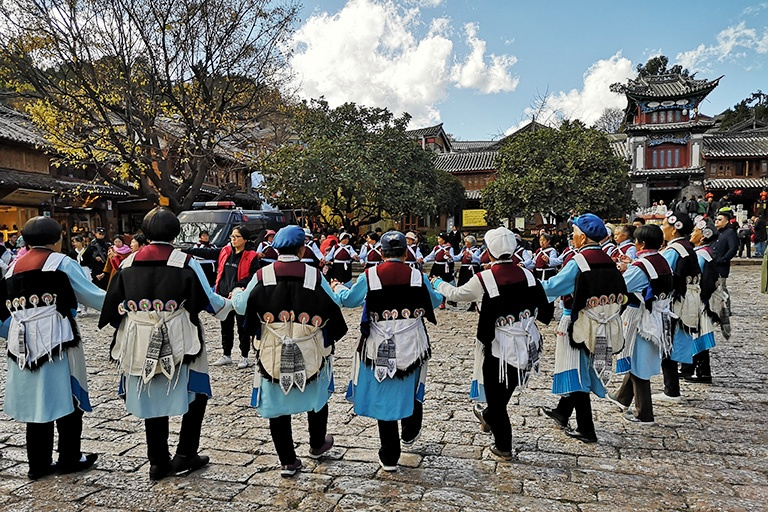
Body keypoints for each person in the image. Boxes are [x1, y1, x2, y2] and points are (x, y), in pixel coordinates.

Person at [98, 207, 231, 481]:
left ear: (145, 233)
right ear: (175, 232)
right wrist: (232, 305)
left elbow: (111, 307)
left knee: (151, 392)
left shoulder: (127, 263)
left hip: (139, 339)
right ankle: (185, 453)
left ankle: (157, 460)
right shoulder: (185, 261)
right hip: (181, 338)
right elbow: (209, 301)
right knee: (196, 393)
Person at [230, 225, 347, 477]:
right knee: (317, 396)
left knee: (277, 403)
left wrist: (238, 292)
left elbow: (241, 307)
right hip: (309, 346)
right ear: (302, 248)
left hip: (272, 348)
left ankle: (287, 460)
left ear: (275, 248)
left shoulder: (263, 275)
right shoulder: (313, 276)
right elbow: (334, 304)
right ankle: (317, 444)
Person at [432, 227, 553, 459]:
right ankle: (488, 417)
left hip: (498, 343)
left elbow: (456, 294)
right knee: (504, 392)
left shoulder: (484, 278)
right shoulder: (527, 274)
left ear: (489, 252)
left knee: (497, 400)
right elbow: (544, 307)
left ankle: (503, 446)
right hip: (527, 342)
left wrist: (437, 284)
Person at [1, 217, 105, 479]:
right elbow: (92, 296)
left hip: (21, 343)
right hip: (56, 340)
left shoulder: (12, 268)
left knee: (35, 402)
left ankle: (38, 463)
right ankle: (69, 457)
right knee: (68, 396)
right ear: (57, 239)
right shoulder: (61, 263)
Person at [332, 231, 442, 471]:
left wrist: (339, 289)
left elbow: (350, 301)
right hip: (412, 340)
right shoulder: (416, 275)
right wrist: (440, 290)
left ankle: (390, 455)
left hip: (379, 341)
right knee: (410, 384)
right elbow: (433, 302)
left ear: (381, 253)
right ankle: (411, 428)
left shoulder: (371, 275)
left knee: (384, 394)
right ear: (405, 252)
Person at [539, 214, 627, 443]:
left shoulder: (579, 262)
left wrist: (527, 283)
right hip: (602, 322)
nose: (573, 236)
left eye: (575, 232)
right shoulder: (608, 259)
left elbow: (552, 287)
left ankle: (587, 428)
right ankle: (562, 411)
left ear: (584, 236)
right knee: (583, 367)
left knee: (576, 371)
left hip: (577, 321)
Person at [609, 225, 673, 425]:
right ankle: (622, 398)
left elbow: (621, 286)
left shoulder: (641, 266)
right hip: (659, 315)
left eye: (636, 241)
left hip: (643, 318)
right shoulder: (662, 259)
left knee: (639, 363)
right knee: (638, 357)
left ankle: (644, 413)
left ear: (642, 243)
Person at [653, 211, 701, 403]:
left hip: (676, 302)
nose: (662, 228)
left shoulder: (674, 251)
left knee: (668, 342)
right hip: (689, 299)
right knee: (675, 341)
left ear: (674, 229)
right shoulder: (687, 247)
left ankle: (671, 390)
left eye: (664, 225)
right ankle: (672, 388)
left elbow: (659, 273)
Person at [680, 216, 722, 383]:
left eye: (695, 231)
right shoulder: (705, 252)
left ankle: (700, 371)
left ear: (704, 235)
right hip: (703, 300)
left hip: (698, 300)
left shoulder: (701, 255)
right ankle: (692, 368)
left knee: (697, 333)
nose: (691, 234)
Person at [211, 225, 259, 369]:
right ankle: (226, 354)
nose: (233, 239)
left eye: (237, 236)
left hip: (239, 296)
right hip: (224, 295)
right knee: (225, 326)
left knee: (242, 327)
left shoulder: (251, 256)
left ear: (244, 239)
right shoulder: (225, 252)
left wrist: (238, 286)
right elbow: (207, 253)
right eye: (232, 236)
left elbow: (254, 275)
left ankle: (244, 356)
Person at [711, 209, 738, 329]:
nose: (717, 221)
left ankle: (726, 309)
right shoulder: (718, 233)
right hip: (712, 264)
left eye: (720, 220)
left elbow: (733, 249)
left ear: (726, 221)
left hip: (721, 265)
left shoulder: (730, 233)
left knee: (722, 287)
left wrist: (723, 259)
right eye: (716, 219)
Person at [423, 233, 459, 310]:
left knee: (445, 283)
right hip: (437, 267)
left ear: (444, 240)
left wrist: (449, 256)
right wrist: (424, 260)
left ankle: (445, 300)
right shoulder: (436, 248)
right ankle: (438, 301)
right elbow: (431, 256)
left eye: (440, 239)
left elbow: (453, 258)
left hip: (445, 267)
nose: (438, 240)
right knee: (435, 282)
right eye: (438, 239)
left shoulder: (449, 248)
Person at [68, 235, 94, 316]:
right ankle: (78, 306)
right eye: (74, 242)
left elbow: (91, 261)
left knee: (86, 288)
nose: (74, 244)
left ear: (81, 242)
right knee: (76, 288)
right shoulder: (72, 252)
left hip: (85, 270)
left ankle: (85, 308)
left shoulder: (87, 251)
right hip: (76, 270)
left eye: (76, 241)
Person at [456, 235, 481, 311]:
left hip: (472, 268)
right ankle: (455, 300)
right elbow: (458, 257)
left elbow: (478, 259)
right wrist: (450, 256)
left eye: (466, 242)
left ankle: (473, 304)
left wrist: (471, 256)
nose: (465, 243)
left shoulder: (476, 250)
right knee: (460, 284)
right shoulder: (464, 249)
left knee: (472, 286)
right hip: (464, 268)